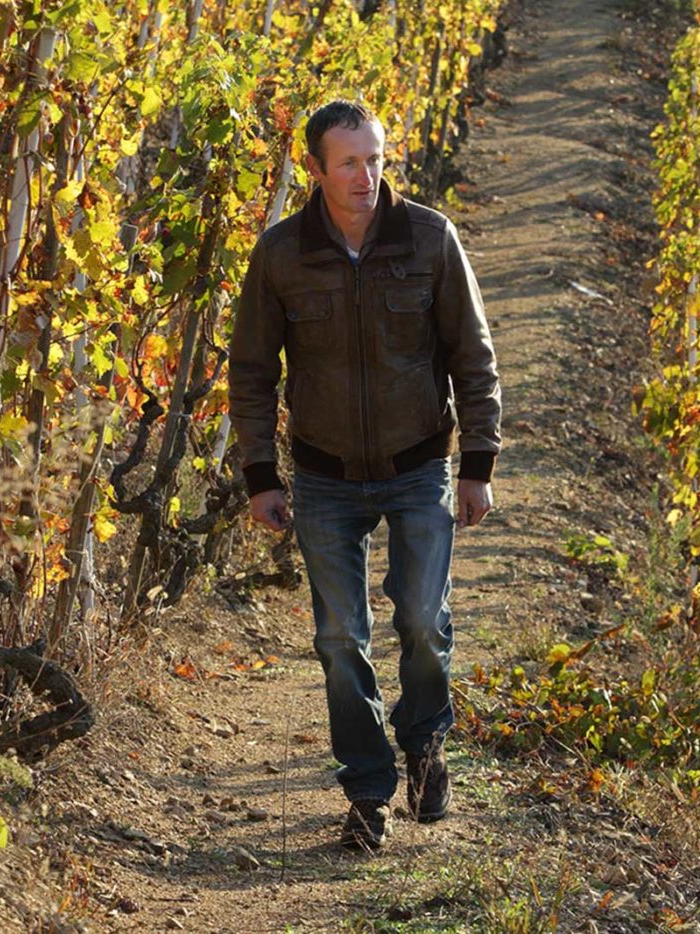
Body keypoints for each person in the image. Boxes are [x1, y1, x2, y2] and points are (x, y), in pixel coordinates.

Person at [227, 99, 501, 850]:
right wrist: (261, 473)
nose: (366, 175)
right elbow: (250, 370)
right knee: (341, 637)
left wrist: (475, 465)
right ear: (313, 169)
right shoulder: (281, 254)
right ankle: (369, 792)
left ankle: (425, 745)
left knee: (421, 621)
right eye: (349, 161)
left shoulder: (430, 239)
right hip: (323, 477)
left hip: (419, 467)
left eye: (376, 158)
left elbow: (474, 359)